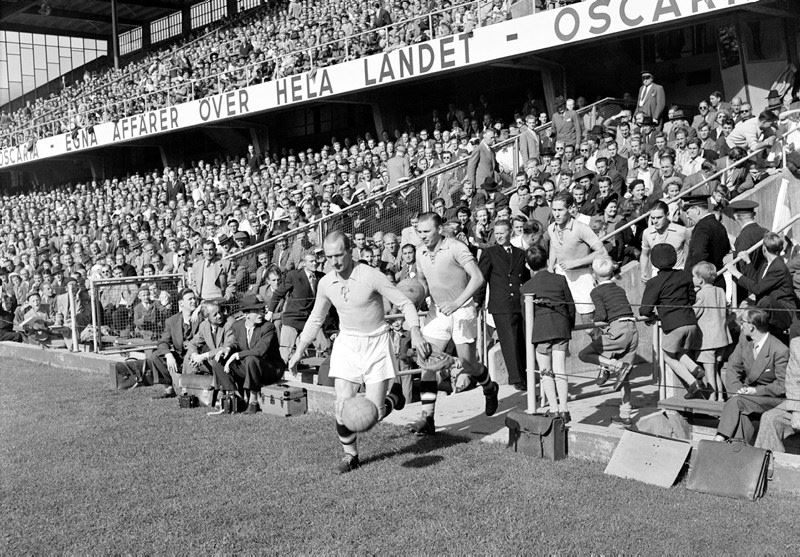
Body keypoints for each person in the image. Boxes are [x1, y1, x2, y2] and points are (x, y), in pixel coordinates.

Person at [287, 231, 427, 473]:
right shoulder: (325, 282)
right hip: (347, 343)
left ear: (351, 251)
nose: (334, 261)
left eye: (339, 255)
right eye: (329, 257)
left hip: (376, 343)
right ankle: (350, 456)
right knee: (342, 406)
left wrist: (415, 330)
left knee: (373, 415)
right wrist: (299, 349)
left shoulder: (371, 275)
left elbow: (404, 303)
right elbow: (316, 318)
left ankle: (394, 397)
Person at [411, 212, 499, 435]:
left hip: (462, 309)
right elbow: (423, 280)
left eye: (427, 231)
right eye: (419, 232)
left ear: (439, 229)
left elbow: (478, 278)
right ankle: (428, 417)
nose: (423, 236)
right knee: (426, 360)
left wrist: (457, 303)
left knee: (468, 363)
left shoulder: (456, 247)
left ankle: (489, 386)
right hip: (438, 311)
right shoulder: (420, 252)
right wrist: (420, 297)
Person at [639, 243, 708, 399]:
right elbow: (692, 298)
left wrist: (649, 316)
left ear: (654, 261)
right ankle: (695, 369)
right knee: (678, 352)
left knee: (668, 357)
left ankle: (693, 383)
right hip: (691, 322)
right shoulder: (684, 275)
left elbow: (645, 309)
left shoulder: (654, 282)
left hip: (673, 324)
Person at [578, 257, 639, 425]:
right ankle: (625, 413)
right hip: (632, 329)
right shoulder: (619, 289)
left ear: (594, 275)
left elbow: (601, 315)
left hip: (617, 329)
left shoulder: (596, 292)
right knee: (625, 376)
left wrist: (592, 327)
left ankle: (614, 366)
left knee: (585, 354)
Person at [714, 308, 787, 444]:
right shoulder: (745, 340)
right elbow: (732, 367)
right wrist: (737, 390)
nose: (741, 325)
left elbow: (782, 386)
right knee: (739, 409)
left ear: (752, 327)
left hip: (770, 399)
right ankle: (738, 450)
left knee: (737, 403)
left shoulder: (779, 350)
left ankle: (718, 439)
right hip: (745, 396)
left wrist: (755, 391)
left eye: (743, 322)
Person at [520, 244, 575, 422]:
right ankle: (565, 408)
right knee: (560, 370)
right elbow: (570, 306)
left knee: (546, 372)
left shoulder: (527, 287)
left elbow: (525, 316)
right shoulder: (560, 280)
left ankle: (553, 408)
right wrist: (570, 325)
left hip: (541, 332)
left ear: (528, 266)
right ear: (547, 260)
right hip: (560, 327)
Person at [478, 220, 530, 390]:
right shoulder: (490, 253)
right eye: (497, 233)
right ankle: (517, 378)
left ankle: (525, 373)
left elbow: (526, 279)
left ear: (510, 233)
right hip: (501, 303)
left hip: (519, 302)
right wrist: (478, 302)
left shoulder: (520, 253)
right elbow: (481, 279)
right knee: (509, 341)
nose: (499, 236)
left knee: (522, 339)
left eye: (502, 233)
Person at [217, 294, 285, 414]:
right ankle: (235, 397)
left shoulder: (268, 327)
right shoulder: (237, 326)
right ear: (246, 314)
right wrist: (227, 349)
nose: (261, 314)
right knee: (218, 360)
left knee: (251, 358)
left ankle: (253, 401)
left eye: (262, 310)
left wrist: (236, 355)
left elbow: (259, 351)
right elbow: (236, 343)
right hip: (250, 366)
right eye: (257, 311)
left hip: (270, 369)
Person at [547, 191, 605, 322]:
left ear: (570, 208)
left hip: (582, 276)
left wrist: (575, 263)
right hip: (561, 276)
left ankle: (600, 342)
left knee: (589, 323)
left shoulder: (581, 228)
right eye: (554, 210)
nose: (556, 214)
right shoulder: (551, 228)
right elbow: (554, 245)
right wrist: (551, 266)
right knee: (562, 320)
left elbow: (601, 252)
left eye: (560, 210)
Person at [730, 232, 797, 338]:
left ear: (764, 249)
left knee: (763, 302)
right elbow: (757, 282)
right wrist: (748, 261)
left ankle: (741, 327)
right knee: (752, 306)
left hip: (782, 311)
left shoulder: (779, 267)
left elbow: (757, 289)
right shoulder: (766, 264)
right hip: (769, 307)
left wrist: (737, 274)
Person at [267, 252, 326, 361]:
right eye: (311, 261)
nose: (315, 263)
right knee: (284, 353)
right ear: (304, 263)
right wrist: (270, 311)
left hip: (311, 320)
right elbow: (278, 294)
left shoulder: (321, 277)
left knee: (325, 346)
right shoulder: (293, 276)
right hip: (293, 318)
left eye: (316, 260)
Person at [147, 288, 200, 399]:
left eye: (194, 298)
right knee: (155, 356)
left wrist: (200, 308)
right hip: (180, 356)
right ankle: (169, 388)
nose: (194, 301)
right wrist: (168, 354)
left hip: (197, 356)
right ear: (181, 303)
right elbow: (162, 342)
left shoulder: (202, 317)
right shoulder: (172, 321)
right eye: (190, 299)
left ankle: (188, 388)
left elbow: (216, 302)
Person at [690, 262, 732, 402]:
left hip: (707, 340)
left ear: (700, 279)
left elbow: (695, 313)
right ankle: (721, 397)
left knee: (709, 371)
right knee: (715, 370)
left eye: (694, 277)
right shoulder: (720, 291)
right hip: (722, 338)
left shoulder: (701, 294)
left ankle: (712, 398)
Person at [755, 337, 800, 453]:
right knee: (770, 418)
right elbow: (793, 380)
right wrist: (796, 411)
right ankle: (767, 466)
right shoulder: (797, 344)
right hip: (798, 402)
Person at [683, 195, 731, 289]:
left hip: (703, 283)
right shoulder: (718, 225)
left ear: (697, 210)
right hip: (717, 280)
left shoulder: (702, 227)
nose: (687, 216)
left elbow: (699, 254)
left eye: (688, 212)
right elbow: (726, 249)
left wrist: (697, 279)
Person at [639, 200, 691, 281]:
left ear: (667, 215)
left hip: (678, 273)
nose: (655, 221)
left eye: (659, 217)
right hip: (657, 275)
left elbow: (691, 252)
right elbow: (644, 254)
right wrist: (643, 272)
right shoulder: (647, 233)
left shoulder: (681, 231)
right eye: (652, 218)